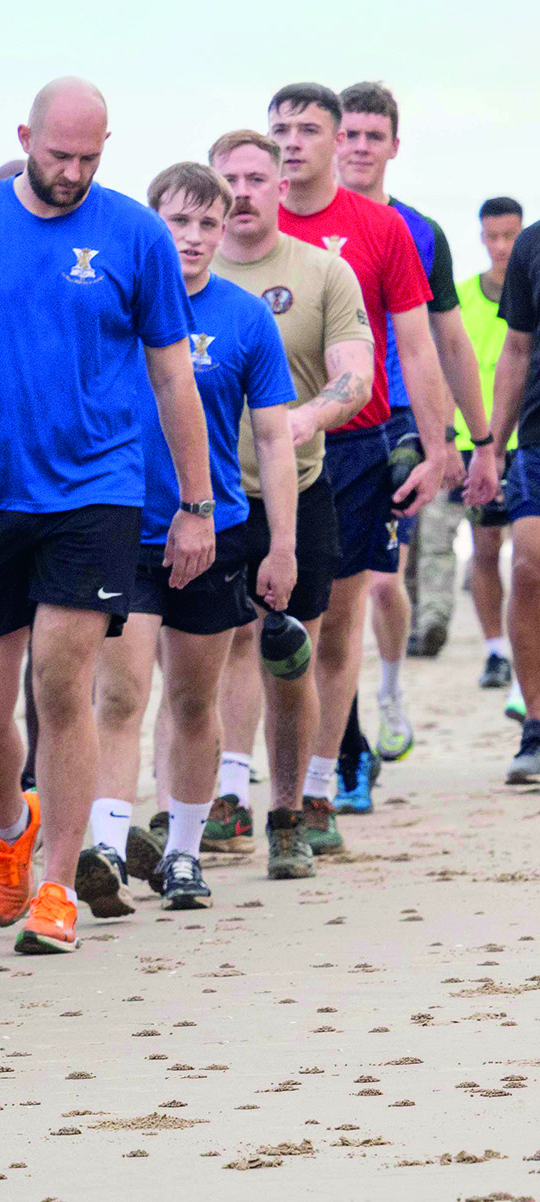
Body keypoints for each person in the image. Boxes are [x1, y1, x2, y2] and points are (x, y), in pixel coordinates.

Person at [0, 77, 212, 956]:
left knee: (61, 685)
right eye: (57, 154)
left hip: (96, 490)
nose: (71, 172)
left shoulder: (136, 235)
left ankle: (56, 885)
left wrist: (193, 505)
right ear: (23, 137)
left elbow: (170, 378)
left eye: (89, 156)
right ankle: (9, 825)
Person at [94, 162, 299, 909]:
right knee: (118, 694)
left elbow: (274, 441)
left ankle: (182, 851)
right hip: (120, 525)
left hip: (214, 533)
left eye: (206, 222)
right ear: (152, 223)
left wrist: (283, 545)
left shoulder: (245, 318)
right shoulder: (115, 305)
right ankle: (109, 849)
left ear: (223, 231)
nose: (190, 236)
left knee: (190, 701)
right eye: (176, 220)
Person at [265, 83, 459, 848]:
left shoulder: (382, 229)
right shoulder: (246, 217)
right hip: (256, 445)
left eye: (306, 128)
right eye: (279, 127)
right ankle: (227, 790)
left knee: (339, 622)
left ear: (337, 137)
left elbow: (417, 346)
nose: (290, 141)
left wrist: (441, 448)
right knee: (263, 625)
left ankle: (322, 786)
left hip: (354, 444)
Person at [207, 127, 373, 877]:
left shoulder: (322, 271)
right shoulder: (181, 274)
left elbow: (355, 376)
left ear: (279, 187)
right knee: (218, 648)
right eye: (227, 181)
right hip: (203, 495)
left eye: (253, 178)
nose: (240, 193)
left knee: (286, 651)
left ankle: (288, 812)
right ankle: (225, 793)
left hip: (296, 489)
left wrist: (304, 416)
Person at [332, 87, 483, 687]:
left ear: (395, 146)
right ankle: (335, 734)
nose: (361, 147)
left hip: (394, 417)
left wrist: (469, 440)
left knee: (379, 579)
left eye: (375, 136)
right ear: (332, 140)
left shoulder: (419, 231)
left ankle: (390, 691)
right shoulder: (285, 221)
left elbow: (447, 343)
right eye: (351, 134)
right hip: (312, 417)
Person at [460, 197, 522, 698]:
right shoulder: (461, 295)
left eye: (511, 236)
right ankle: (496, 649)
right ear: (481, 237)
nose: (502, 247)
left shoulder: (534, 285)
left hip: (531, 439)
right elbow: (445, 365)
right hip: (475, 440)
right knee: (486, 548)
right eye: (493, 236)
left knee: (530, 551)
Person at [497, 214, 540, 781]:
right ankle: (535, 724)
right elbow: (515, 350)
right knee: (528, 567)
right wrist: (489, 448)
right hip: (536, 436)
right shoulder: (532, 243)